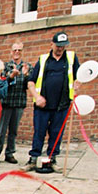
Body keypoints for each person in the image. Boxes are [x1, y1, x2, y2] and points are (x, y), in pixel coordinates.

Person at [25, 31, 80, 173]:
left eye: (63, 46)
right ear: (52, 44)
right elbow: (31, 82)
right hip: (42, 106)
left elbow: (78, 77)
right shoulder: (43, 60)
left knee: (56, 133)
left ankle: (52, 159)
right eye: (58, 45)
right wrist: (37, 97)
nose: (60, 48)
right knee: (39, 133)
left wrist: (78, 84)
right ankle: (33, 160)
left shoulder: (71, 59)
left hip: (61, 105)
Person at [0, 42, 30, 164]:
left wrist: (26, 76)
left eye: (19, 50)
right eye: (15, 50)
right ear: (11, 52)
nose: (17, 52)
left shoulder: (26, 66)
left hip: (19, 102)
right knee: (1, 131)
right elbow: (2, 82)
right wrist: (11, 76)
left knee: (13, 131)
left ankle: (9, 153)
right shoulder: (5, 66)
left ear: (22, 52)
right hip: (6, 103)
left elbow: (28, 85)